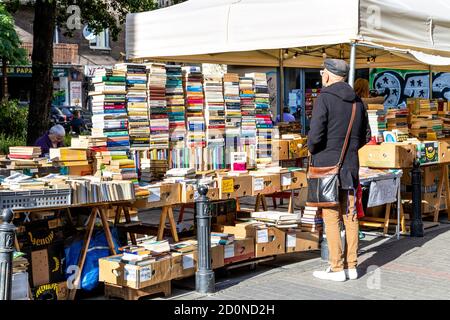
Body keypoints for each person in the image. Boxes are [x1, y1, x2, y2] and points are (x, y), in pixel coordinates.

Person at [308, 59, 371, 282]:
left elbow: (314, 136)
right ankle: (351, 266)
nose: (322, 75)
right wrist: (350, 152)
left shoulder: (324, 98)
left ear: (328, 75)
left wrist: (315, 150)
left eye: (322, 72)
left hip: (327, 166)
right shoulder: (358, 102)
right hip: (351, 167)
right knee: (350, 216)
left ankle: (336, 268)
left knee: (331, 216)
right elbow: (367, 136)